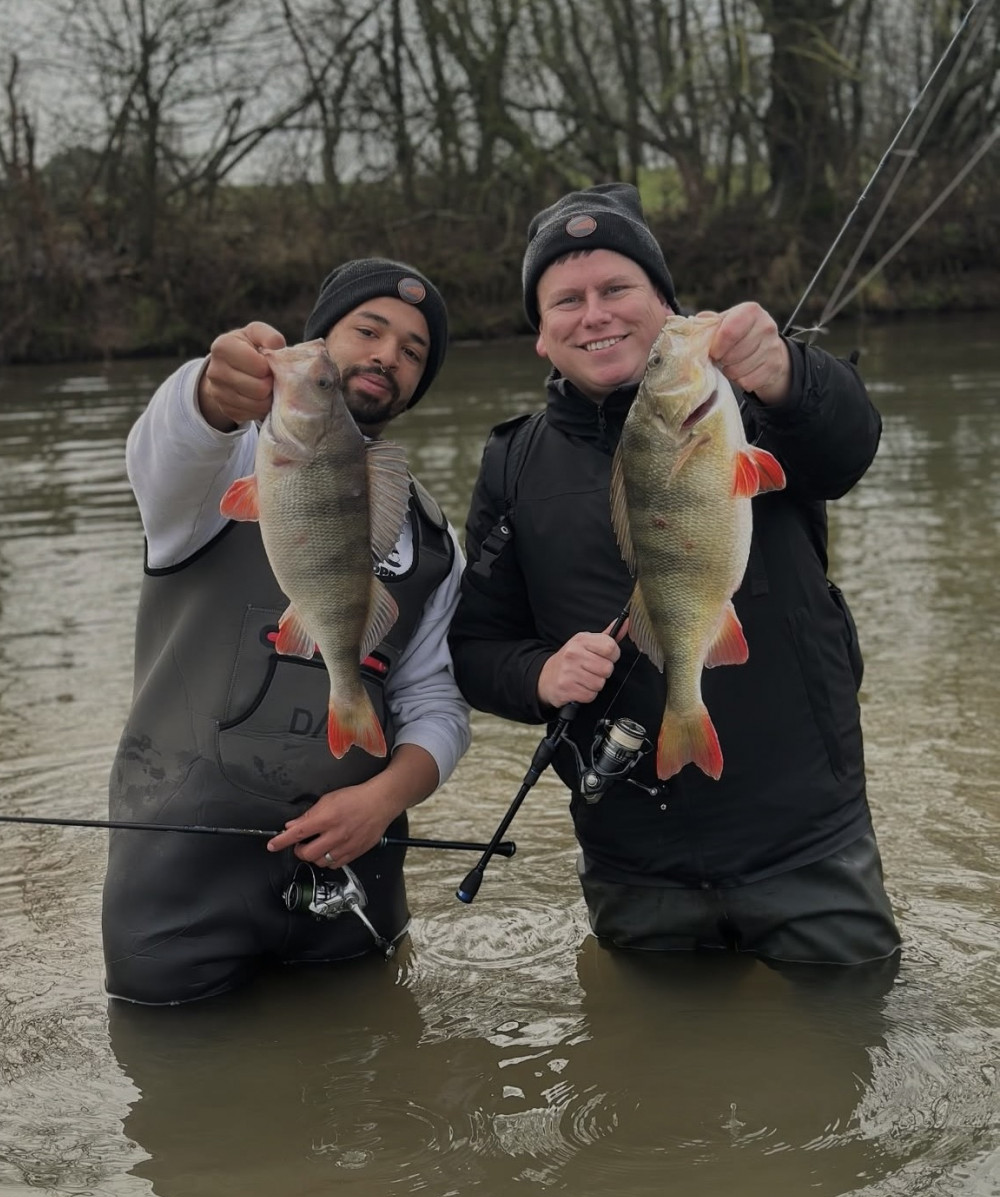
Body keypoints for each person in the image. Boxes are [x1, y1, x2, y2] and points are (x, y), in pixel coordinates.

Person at [449, 183, 901, 968]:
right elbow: (479, 646)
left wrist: (791, 371)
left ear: (668, 307)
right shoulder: (512, 463)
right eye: (567, 301)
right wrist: (540, 675)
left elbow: (846, 448)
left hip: (805, 835)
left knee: (846, 1037)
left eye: (618, 288)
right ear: (542, 338)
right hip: (634, 854)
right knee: (650, 1068)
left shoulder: (753, 407)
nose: (596, 314)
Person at [104, 258, 471, 1004]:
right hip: (180, 891)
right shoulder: (223, 464)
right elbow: (167, 445)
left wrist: (383, 800)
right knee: (184, 1110)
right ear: (318, 341)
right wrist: (211, 390)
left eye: (412, 351)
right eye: (368, 330)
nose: (386, 356)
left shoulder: (434, 540)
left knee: (375, 1099)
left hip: (353, 889)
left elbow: (437, 702)